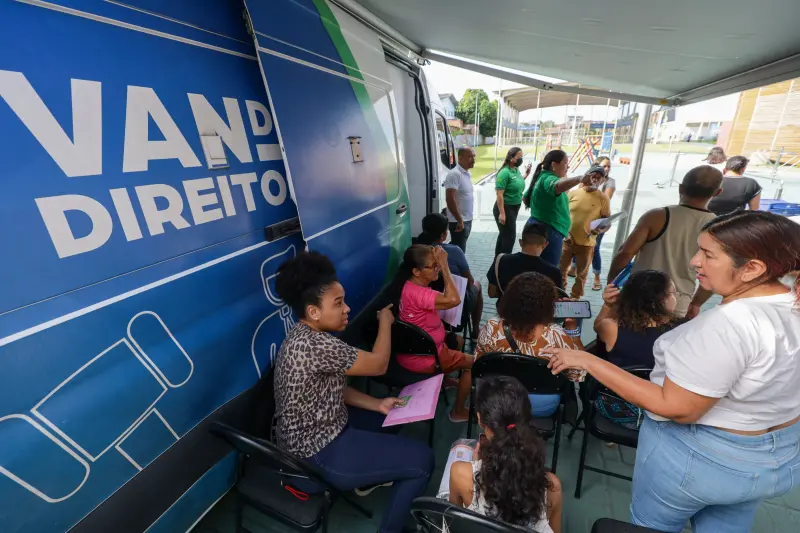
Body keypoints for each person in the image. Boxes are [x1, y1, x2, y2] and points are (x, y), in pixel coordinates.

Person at [546, 211, 800, 533]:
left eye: (708, 254)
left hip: (701, 459)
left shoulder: (727, 325)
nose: (695, 262)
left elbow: (678, 407)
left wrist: (590, 361)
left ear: (752, 268)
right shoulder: (790, 305)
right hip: (772, 459)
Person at [273, 251, 434, 533]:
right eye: (338, 303)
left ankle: (365, 477)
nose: (346, 308)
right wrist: (385, 322)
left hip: (316, 438)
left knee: (393, 415)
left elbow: (335, 389)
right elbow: (380, 364)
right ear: (313, 312)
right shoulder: (318, 346)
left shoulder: (303, 335)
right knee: (423, 460)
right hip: (315, 459)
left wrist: (378, 404)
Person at [449, 376, 563, 533]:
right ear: (527, 419)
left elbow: (454, 521)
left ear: (480, 419)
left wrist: (474, 467)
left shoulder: (459, 473)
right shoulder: (552, 487)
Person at [607, 165, 723, 318]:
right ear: (718, 192)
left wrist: (611, 283)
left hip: (638, 297)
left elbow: (625, 253)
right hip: (678, 302)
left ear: (681, 188)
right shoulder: (718, 227)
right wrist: (696, 303)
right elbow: (713, 274)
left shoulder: (656, 216)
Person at [477, 272, 585, 417]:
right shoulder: (557, 336)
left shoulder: (491, 327)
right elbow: (577, 374)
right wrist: (572, 329)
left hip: (499, 400)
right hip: (541, 406)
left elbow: (479, 363)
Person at [394, 244, 474, 422]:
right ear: (416, 271)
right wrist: (444, 265)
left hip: (413, 351)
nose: (436, 268)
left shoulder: (408, 286)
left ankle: (444, 380)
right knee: (474, 364)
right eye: (433, 266)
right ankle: (458, 411)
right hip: (427, 357)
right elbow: (453, 299)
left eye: (437, 264)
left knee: (458, 341)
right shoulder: (418, 293)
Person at [593, 270, 680, 429]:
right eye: (673, 293)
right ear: (660, 301)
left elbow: (597, 325)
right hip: (662, 411)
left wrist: (607, 305)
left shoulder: (611, 328)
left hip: (616, 406)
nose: (676, 297)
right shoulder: (681, 331)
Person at [523, 150, 597, 267]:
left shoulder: (541, 177)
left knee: (534, 268)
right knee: (546, 271)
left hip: (541, 228)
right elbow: (557, 186)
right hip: (548, 232)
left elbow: (525, 198)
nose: (568, 166)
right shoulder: (548, 179)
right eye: (566, 162)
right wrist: (579, 178)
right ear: (554, 165)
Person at [416, 213, 483, 333]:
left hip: (426, 305)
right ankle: (476, 330)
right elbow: (469, 282)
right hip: (453, 308)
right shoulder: (454, 251)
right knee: (477, 285)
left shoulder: (416, 251)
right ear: (443, 235)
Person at [558, 165, 610, 299]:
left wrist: (601, 229)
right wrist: (564, 232)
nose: (595, 179)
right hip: (567, 241)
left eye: (599, 178)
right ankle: (560, 296)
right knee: (560, 271)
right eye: (593, 176)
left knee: (581, 275)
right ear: (587, 176)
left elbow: (607, 222)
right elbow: (562, 215)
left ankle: (574, 298)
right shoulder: (573, 193)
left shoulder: (603, 198)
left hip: (587, 243)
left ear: (603, 180)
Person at [570, 156, 616, 290]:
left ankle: (596, 276)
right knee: (577, 243)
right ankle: (573, 268)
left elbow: (606, 198)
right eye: (604, 166)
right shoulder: (587, 177)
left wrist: (592, 189)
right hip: (581, 219)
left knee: (594, 248)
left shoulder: (609, 182)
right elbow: (580, 191)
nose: (606, 169)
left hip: (597, 221)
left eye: (609, 166)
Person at [486, 221, 563, 299]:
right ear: (545, 245)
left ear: (521, 242)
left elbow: (491, 293)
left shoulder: (501, 260)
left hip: (506, 306)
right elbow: (558, 301)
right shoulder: (554, 272)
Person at [494, 147, 532, 257]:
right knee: (509, 238)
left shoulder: (515, 169)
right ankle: (505, 261)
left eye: (522, 156)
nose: (521, 159)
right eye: (519, 157)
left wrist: (526, 174)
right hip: (505, 208)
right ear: (511, 158)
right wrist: (502, 213)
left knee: (504, 235)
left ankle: (498, 261)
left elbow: (516, 182)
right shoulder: (504, 172)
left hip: (514, 208)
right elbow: (499, 194)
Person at [444, 147, 476, 252]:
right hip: (458, 221)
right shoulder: (455, 174)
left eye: (474, 156)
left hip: (466, 219)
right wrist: (459, 219)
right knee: (459, 251)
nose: (473, 159)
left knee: (459, 249)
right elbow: (450, 199)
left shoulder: (467, 173)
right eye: (470, 157)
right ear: (460, 158)